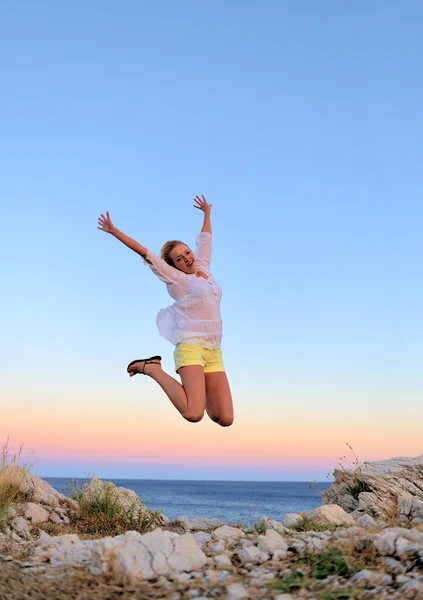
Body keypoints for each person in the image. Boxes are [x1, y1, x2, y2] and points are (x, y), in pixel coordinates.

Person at [97, 196, 234, 427]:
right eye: (179, 259)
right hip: (191, 347)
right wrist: (114, 231)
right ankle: (152, 368)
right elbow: (146, 253)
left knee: (225, 418)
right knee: (194, 413)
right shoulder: (177, 280)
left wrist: (207, 214)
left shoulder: (203, 270)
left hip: (214, 350)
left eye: (188, 253)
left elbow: (206, 242)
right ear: (173, 266)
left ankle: (200, 391)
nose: (187, 259)